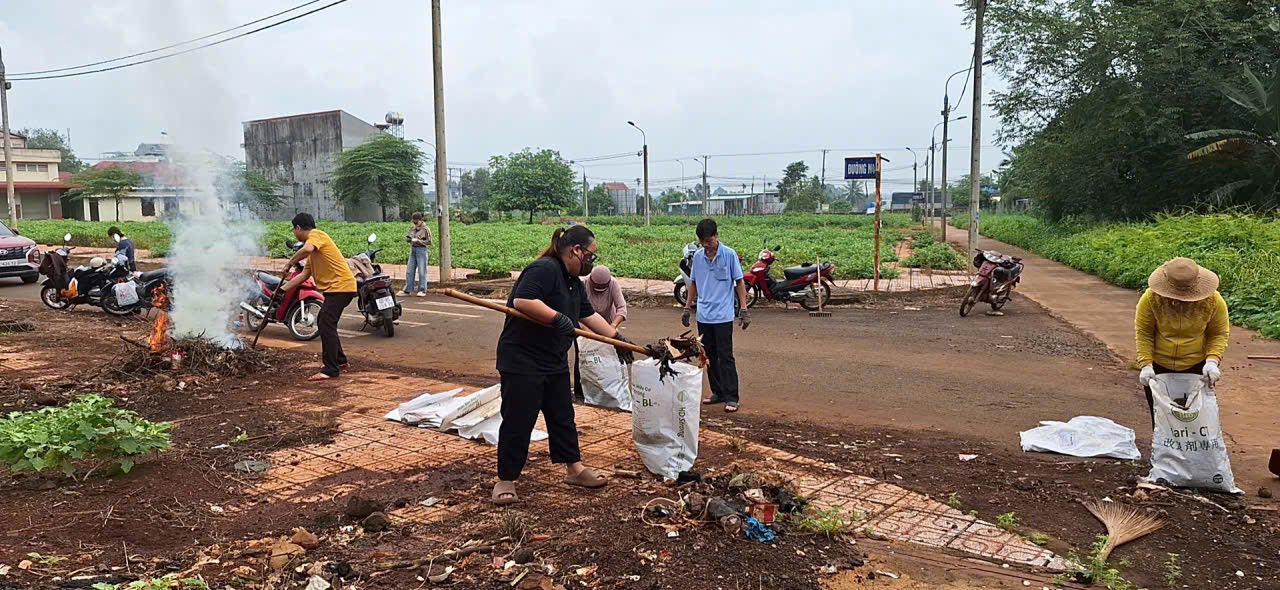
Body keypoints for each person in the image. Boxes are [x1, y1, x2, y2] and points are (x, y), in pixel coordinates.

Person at [492, 225, 634, 505]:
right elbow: (522, 300)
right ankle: (505, 479)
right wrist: (556, 318)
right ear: (575, 251)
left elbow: (588, 315)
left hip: (553, 359)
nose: (591, 261)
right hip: (522, 359)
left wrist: (616, 338)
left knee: (562, 416)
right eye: (590, 255)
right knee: (519, 420)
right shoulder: (544, 269)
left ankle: (574, 469)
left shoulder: (573, 282)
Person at [1135, 257, 1230, 426]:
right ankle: (1164, 452)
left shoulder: (1214, 301)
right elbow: (1144, 333)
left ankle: (1193, 453)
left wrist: (1212, 361)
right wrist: (1146, 364)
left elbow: (1218, 333)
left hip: (1196, 367)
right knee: (1161, 420)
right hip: (1158, 368)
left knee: (1193, 421)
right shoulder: (1150, 300)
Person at [682, 218, 750, 413]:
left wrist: (743, 309)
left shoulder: (729, 255)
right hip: (704, 315)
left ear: (716, 236)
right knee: (708, 356)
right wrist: (687, 308)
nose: (706, 245)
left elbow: (739, 282)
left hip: (723, 315)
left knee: (725, 356)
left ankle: (732, 396)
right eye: (703, 242)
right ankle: (718, 392)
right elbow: (693, 283)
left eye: (709, 241)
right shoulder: (698, 258)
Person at [281, 213, 359, 382]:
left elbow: (307, 249)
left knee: (325, 322)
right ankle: (340, 361)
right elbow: (303, 275)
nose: (294, 233)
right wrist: (281, 290)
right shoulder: (313, 251)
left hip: (341, 287)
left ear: (298, 228)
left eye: (294, 230)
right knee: (327, 323)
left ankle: (331, 369)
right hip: (337, 289)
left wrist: (288, 263)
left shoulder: (316, 235)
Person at [573, 265, 629, 400]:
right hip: (585, 328)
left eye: (603, 288)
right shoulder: (581, 284)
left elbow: (621, 308)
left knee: (610, 359)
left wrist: (612, 327)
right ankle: (581, 392)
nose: (599, 291)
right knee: (583, 358)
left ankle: (610, 390)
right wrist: (590, 334)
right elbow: (576, 313)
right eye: (596, 288)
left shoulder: (613, 284)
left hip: (608, 326)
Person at [404, 212, 432, 297]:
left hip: (421, 250)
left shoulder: (426, 229)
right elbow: (409, 236)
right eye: (413, 221)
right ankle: (407, 290)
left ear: (420, 220)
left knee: (422, 271)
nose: (415, 223)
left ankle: (422, 290)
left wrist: (418, 241)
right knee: (409, 270)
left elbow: (429, 242)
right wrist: (409, 239)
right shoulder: (412, 228)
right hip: (413, 250)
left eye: (416, 221)